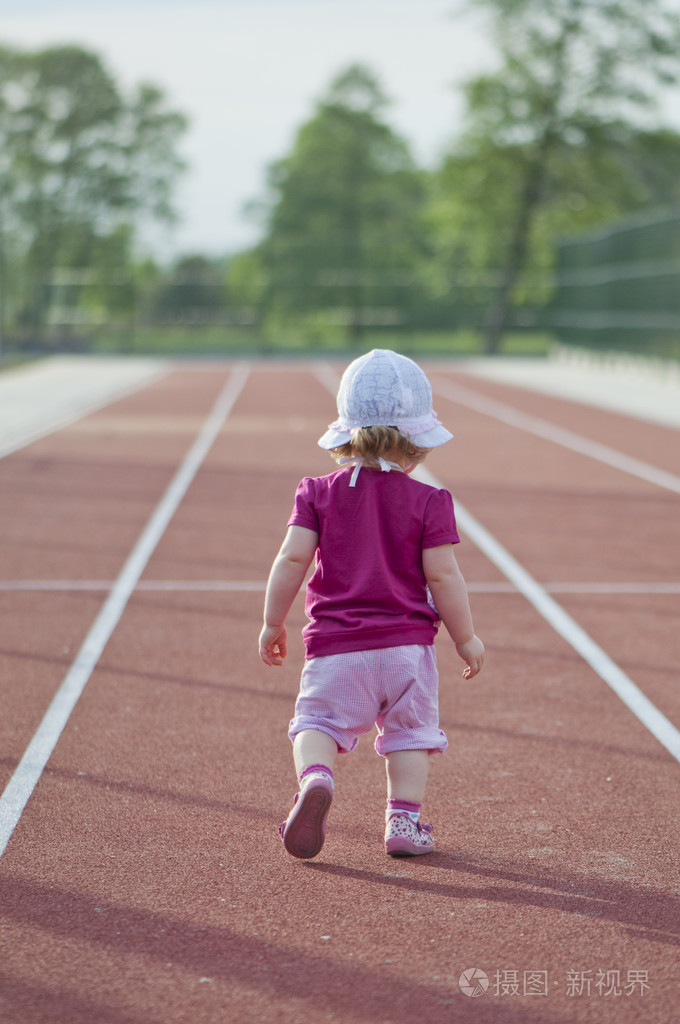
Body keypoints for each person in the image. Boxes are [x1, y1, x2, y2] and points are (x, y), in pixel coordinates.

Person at [258, 349, 484, 860]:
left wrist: (273, 622)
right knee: (410, 736)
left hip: (336, 649)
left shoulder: (317, 493)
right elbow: (444, 575)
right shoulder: (430, 501)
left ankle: (317, 778)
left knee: (315, 724)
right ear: (415, 440)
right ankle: (403, 823)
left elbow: (291, 560)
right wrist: (465, 637)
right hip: (406, 650)